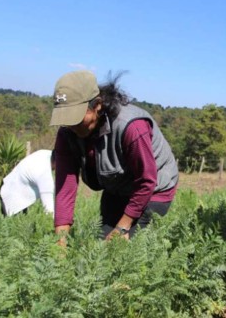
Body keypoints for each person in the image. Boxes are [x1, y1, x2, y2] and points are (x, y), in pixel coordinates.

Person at [49, 70, 179, 243]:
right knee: (99, 247)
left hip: (154, 189)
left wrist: (122, 227)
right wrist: (60, 240)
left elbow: (147, 181)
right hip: (117, 189)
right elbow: (65, 186)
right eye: (67, 118)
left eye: (77, 117)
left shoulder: (131, 126)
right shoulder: (67, 133)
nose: (72, 125)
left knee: (125, 249)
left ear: (97, 105)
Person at [0, 149, 56, 216]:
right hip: (11, 195)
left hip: (11, 184)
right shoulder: (44, 175)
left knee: (23, 220)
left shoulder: (46, 153)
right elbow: (49, 212)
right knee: (13, 223)